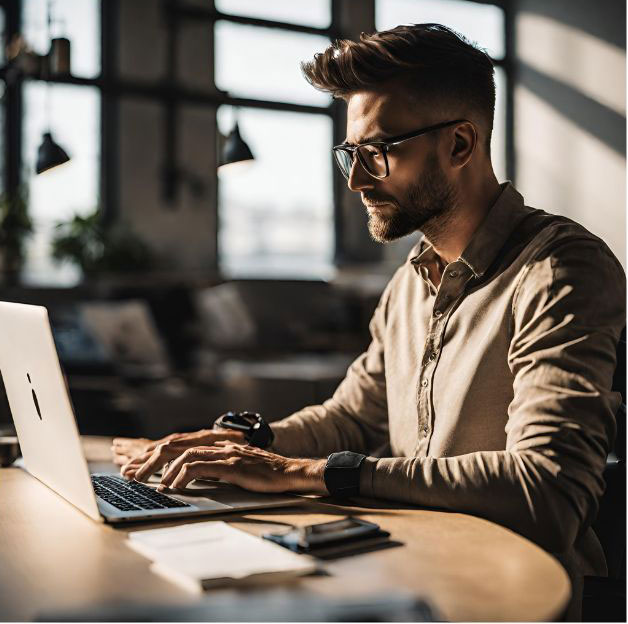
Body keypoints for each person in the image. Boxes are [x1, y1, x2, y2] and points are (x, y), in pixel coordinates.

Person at [113, 24, 624, 616]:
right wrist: (241, 445)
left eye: (378, 153)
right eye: (349, 155)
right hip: (411, 568)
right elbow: (351, 416)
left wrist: (306, 473)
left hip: (513, 596)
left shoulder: (560, 270)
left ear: (460, 144)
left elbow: (548, 490)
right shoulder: (410, 281)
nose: (356, 179)